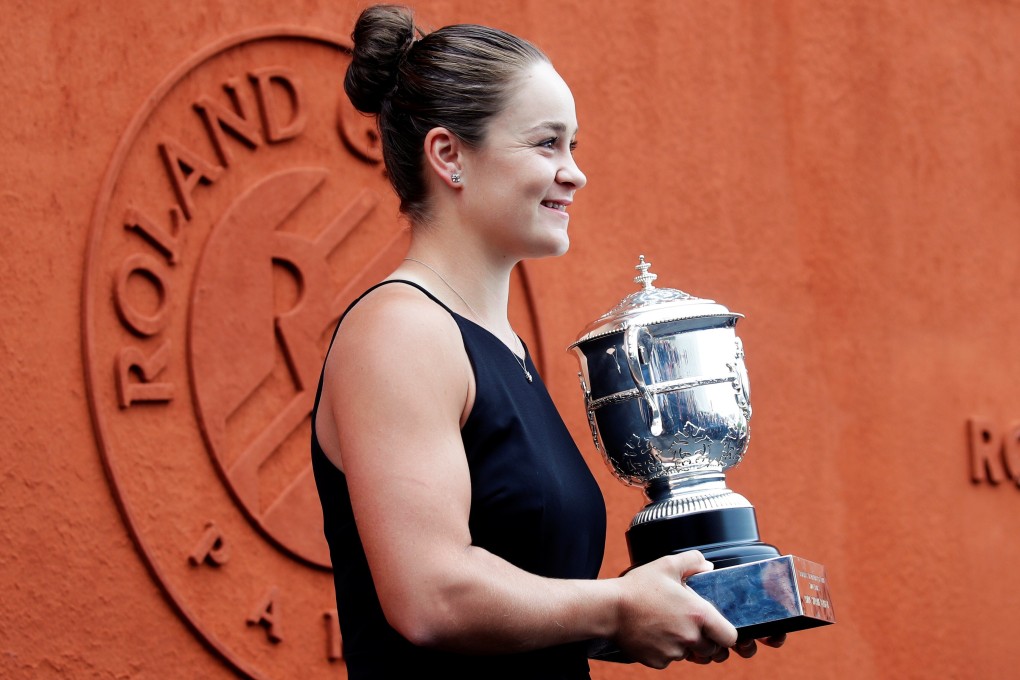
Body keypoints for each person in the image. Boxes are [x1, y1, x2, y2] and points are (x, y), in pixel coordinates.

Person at [311, 4, 784, 678]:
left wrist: (668, 612)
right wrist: (619, 607)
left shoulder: (500, 346)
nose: (574, 172)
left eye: (574, 146)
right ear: (449, 155)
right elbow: (432, 599)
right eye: (546, 143)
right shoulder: (401, 331)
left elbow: (519, 614)